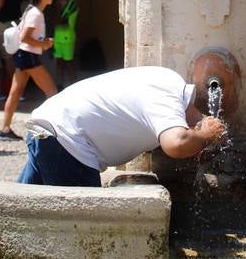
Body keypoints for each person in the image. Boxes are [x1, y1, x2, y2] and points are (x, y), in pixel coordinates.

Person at [18, 65, 227, 186]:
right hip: (69, 143)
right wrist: (206, 135)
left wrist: (199, 137)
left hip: (48, 125)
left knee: (18, 215)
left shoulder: (166, 78)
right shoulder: (168, 98)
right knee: (83, 233)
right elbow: (178, 144)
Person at [0, 0, 57, 141]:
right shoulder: (36, 14)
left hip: (22, 55)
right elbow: (24, 37)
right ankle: (51, 128)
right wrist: (44, 44)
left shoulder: (31, 11)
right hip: (29, 56)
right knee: (52, 91)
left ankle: (4, 129)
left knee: (15, 93)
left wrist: (43, 42)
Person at [53, 0, 79, 89]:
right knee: (59, 62)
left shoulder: (72, 3)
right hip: (58, 36)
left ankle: (74, 85)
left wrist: (58, 6)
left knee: (69, 62)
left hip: (67, 37)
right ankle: (59, 85)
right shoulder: (60, 3)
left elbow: (60, 20)